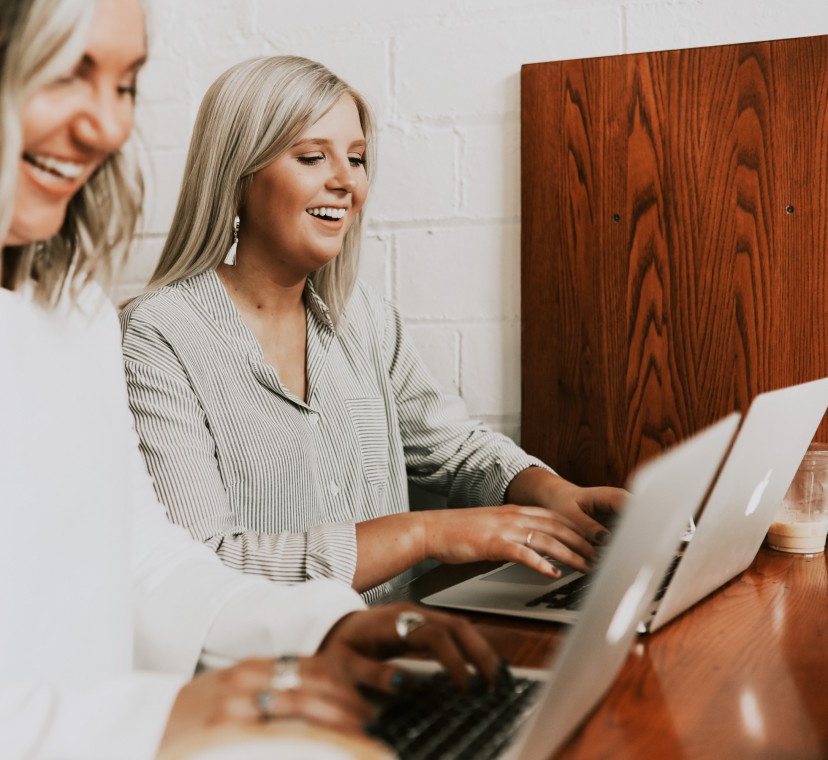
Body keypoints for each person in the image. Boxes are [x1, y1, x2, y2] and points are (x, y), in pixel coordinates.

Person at [0, 4, 501, 759]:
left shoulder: (68, 306)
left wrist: (320, 628)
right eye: (64, 72)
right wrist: (150, 722)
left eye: (125, 84)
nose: (109, 125)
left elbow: (144, 563)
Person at [120, 55, 628, 599]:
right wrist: (425, 534)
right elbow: (204, 566)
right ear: (237, 176)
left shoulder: (364, 319)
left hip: (396, 637)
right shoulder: (156, 336)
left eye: (357, 159)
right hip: (274, 652)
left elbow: (455, 449)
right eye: (312, 157)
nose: (347, 181)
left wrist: (555, 494)